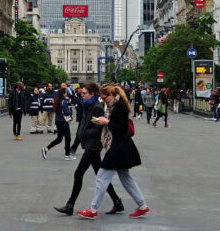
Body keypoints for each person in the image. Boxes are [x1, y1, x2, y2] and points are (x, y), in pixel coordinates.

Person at [77, 84, 149, 220]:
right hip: (120, 147)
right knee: (126, 179)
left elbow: (121, 129)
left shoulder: (119, 106)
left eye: (104, 98)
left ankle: (93, 210)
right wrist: (104, 122)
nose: (103, 101)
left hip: (118, 147)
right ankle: (143, 207)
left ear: (111, 95)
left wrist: (106, 122)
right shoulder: (114, 105)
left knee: (101, 178)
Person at [54, 83, 122, 216]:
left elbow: (97, 129)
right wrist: (78, 140)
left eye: (84, 93)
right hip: (90, 144)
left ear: (92, 94)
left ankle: (70, 205)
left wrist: (84, 133)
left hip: (94, 145)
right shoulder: (87, 105)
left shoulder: (96, 107)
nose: (81, 95)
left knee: (78, 173)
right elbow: (83, 125)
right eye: (81, 93)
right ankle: (117, 201)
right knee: (101, 177)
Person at [42, 88, 74, 160]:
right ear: (63, 93)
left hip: (58, 121)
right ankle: (67, 155)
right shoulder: (64, 101)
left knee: (59, 138)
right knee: (68, 138)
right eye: (66, 93)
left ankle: (46, 148)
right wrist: (70, 111)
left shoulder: (57, 100)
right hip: (63, 121)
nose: (67, 94)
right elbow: (66, 112)